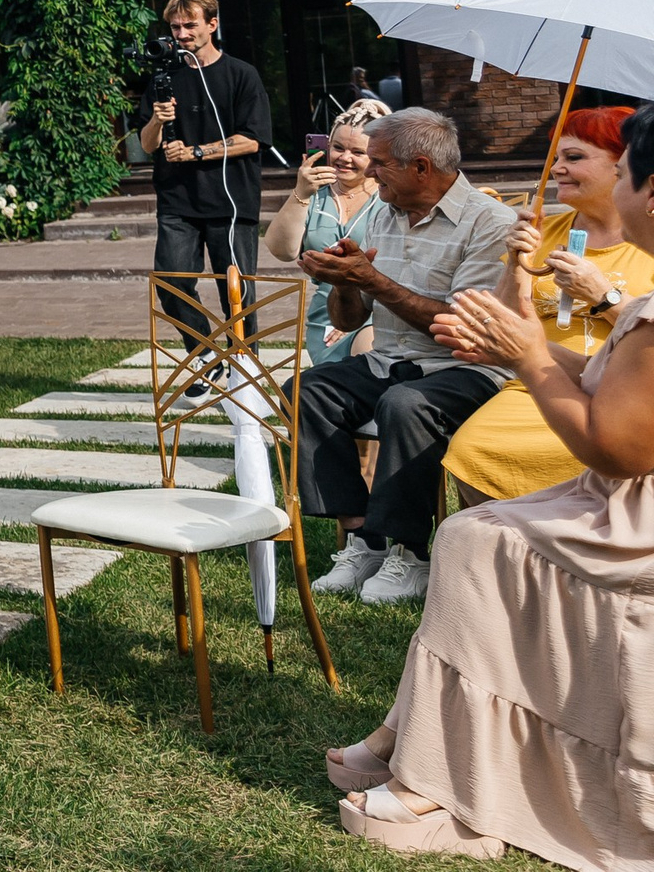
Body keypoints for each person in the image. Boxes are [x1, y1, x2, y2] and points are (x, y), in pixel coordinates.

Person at [322, 102, 654, 865]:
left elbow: (617, 449)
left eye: (618, 166)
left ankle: (435, 778)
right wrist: (521, 343)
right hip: (617, 497)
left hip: (632, 521)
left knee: (471, 540)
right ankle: (412, 741)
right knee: (472, 533)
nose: (569, 171)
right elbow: (605, 371)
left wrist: (531, 354)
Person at [295, 107, 517, 606]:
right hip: (388, 361)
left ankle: (412, 553)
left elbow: (461, 329)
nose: (370, 172)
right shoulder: (385, 215)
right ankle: (365, 538)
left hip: (466, 368)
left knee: (405, 403)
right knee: (311, 390)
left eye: (380, 162)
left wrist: (372, 280)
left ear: (421, 167)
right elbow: (351, 321)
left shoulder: (489, 223)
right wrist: (342, 281)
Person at [443, 103, 654, 504]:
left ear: (620, 165)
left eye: (574, 158)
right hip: (539, 379)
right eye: (556, 157)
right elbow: (507, 321)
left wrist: (602, 295)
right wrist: (518, 264)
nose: (557, 168)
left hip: (619, 389)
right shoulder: (544, 230)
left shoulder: (646, 240)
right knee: (472, 449)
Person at [135, 0, 273, 357]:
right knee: (171, 283)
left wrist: (197, 152)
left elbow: (254, 140)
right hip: (178, 200)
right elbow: (148, 145)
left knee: (237, 294)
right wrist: (157, 120)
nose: (181, 34)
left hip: (231, 200)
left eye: (189, 25)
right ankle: (205, 354)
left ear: (212, 24)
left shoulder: (241, 74)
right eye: (174, 27)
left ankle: (246, 369)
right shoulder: (164, 78)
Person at [261, 98, 387, 365]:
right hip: (326, 313)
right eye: (338, 148)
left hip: (379, 308)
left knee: (367, 364)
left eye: (358, 152)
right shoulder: (316, 194)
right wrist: (301, 193)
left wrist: (353, 316)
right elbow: (282, 251)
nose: (345, 158)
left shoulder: (389, 198)